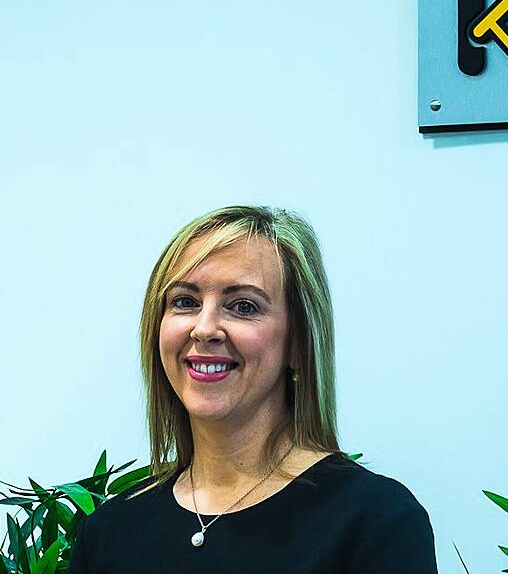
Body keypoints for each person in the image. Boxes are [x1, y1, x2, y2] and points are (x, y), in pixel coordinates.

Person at [68, 205, 437, 573]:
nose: (204, 328)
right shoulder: (108, 531)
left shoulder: (376, 521)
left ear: (298, 343)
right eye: (185, 302)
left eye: (243, 306)